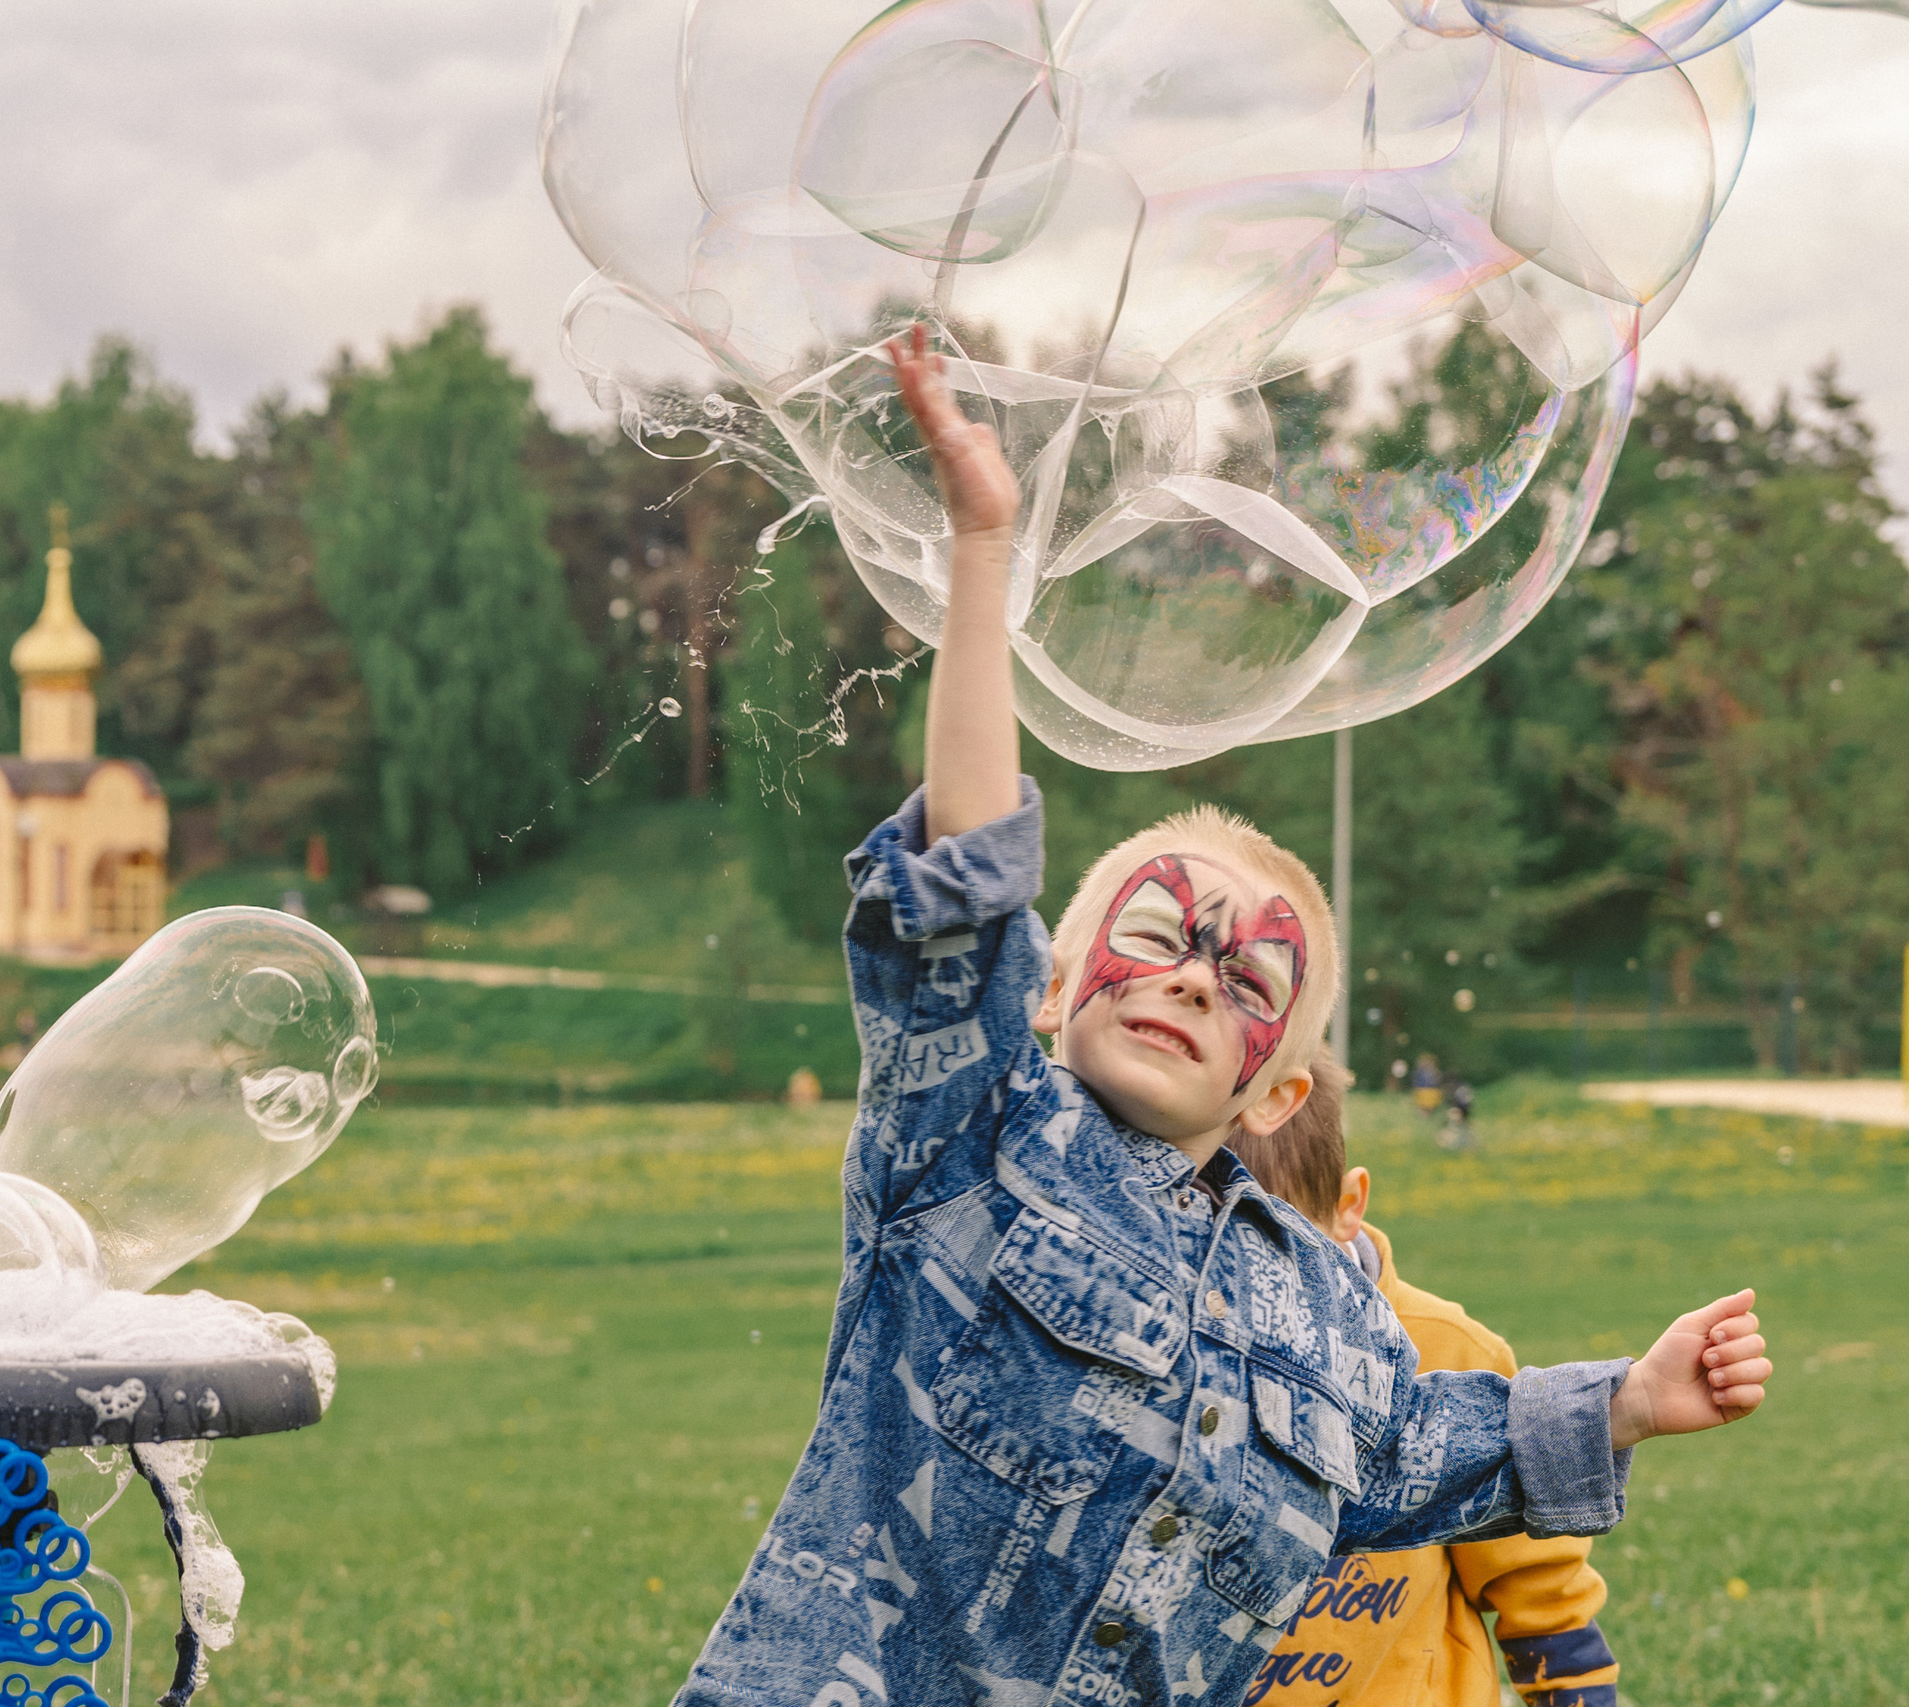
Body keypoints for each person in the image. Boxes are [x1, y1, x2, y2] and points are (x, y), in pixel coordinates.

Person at [671, 328, 1776, 1707]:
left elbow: (1406, 1449)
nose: (1197, 973)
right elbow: (960, 884)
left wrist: (1628, 1398)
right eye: (1155, 938)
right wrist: (983, 550)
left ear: (1277, 1093)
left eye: (1251, 983)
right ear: (1058, 986)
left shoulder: (1326, 1301)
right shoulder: (975, 1147)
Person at [1228, 1055, 1619, 1707]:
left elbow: (1533, 1575)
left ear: (1347, 1204)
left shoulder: (1446, 1350)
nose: (1262, 1292)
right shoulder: (1169, 1358)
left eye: (1284, 1249)